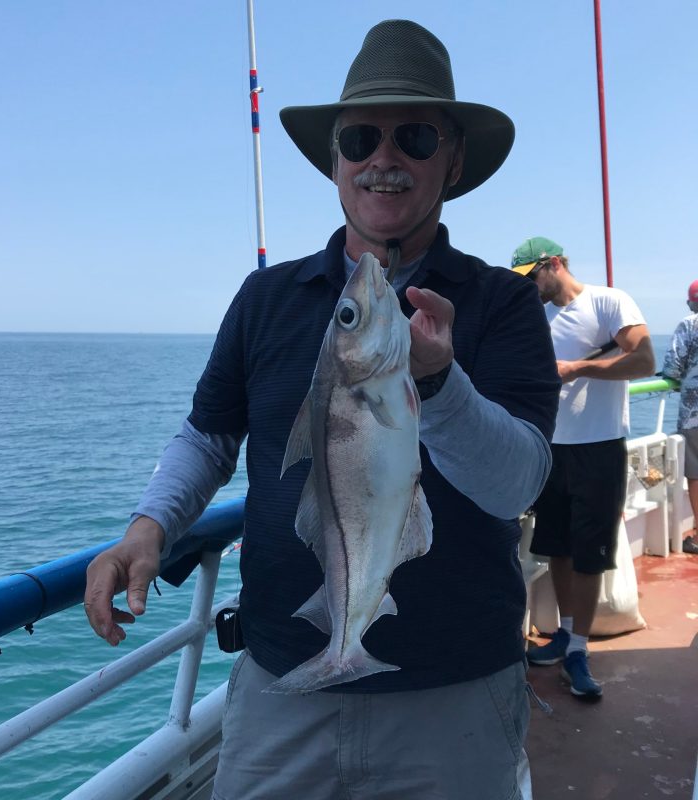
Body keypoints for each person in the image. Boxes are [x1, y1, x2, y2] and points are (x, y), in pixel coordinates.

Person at [85, 21, 560, 799]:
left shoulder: (502, 303)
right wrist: (148, 529)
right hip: (283, 680)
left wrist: (438, 383)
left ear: (454, 158)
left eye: (413, 135)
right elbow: (210, 436)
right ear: (334, 161)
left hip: (457, 690)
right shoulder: (267, 297)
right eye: (359, 138)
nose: (384, 158)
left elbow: (517, 486)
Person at [511, 237, 655, 700]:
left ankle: (578, 650)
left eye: (533, 276)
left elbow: (644, 359)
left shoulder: (608, 302)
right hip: (550, 449)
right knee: (557, 548)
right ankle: (564, 636)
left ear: (554, 264)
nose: (530, 287)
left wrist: (577, 369)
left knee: (591, 552)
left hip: (599, 448)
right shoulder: (533, 317)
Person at [662, 280, 698, 555]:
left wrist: (671, 379)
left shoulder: (689, 324)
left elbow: (674, 365)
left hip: (694, 413)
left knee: (696, 473)